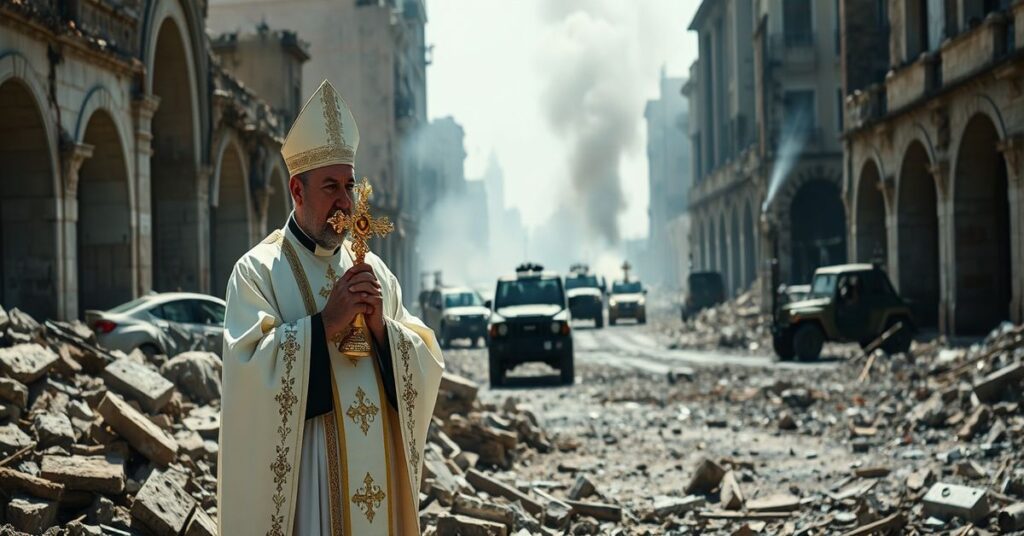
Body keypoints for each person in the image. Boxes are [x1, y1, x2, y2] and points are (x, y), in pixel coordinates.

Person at [217, 79, 444, 535]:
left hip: (376, 485)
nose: (345, 202)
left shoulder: (376, 273)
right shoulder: (257, 272)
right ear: (297, 192)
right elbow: (247, 379)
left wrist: (384, 332)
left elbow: (426, 360)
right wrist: (323, 326)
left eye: (349, 185)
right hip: (309, 489)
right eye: (330, 187)